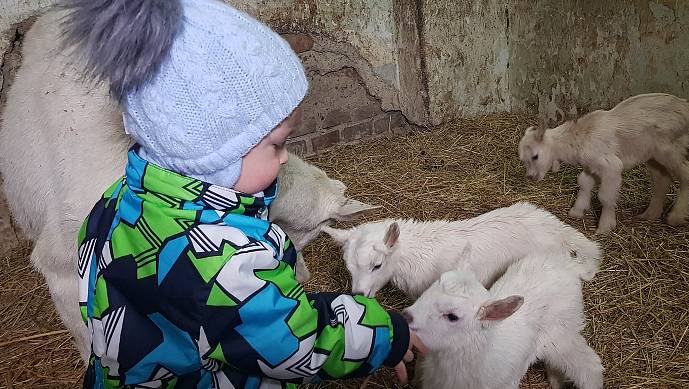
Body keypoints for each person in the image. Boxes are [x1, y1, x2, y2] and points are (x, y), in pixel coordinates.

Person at [66, 0, 424, 387]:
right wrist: (383, 334)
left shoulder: (114, 205)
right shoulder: (224, 259)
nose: (286, 158)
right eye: (276, 145)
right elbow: (298, 342)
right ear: (214, 154)